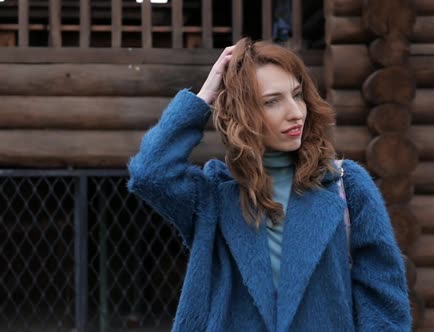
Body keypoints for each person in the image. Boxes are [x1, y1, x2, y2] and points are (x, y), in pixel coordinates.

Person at [128, 38, 411, 331]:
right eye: (272, 101)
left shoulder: (345, 185)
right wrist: (203, 97)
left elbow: (384, 303)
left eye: (297, 95)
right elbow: (150, 173)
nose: (296, 112)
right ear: (243, 114)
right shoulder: (213, 196)